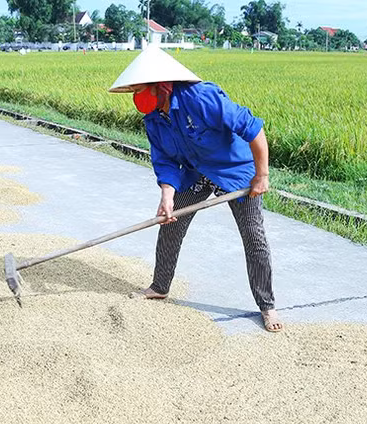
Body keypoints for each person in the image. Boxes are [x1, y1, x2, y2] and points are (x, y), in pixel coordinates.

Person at [110, 47, 283, 332]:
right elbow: (164, 160)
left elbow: (253, 129)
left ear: (161, 86)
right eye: (135, 90)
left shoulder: (200, 98)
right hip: (195, 173)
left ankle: (267, 306)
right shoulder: (153, 118)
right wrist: (167, 196)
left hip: (235, 173)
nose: (137, 95)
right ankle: (159, 286)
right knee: (170, 223)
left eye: (141, 89)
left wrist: (262, 175)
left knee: (253, 236)